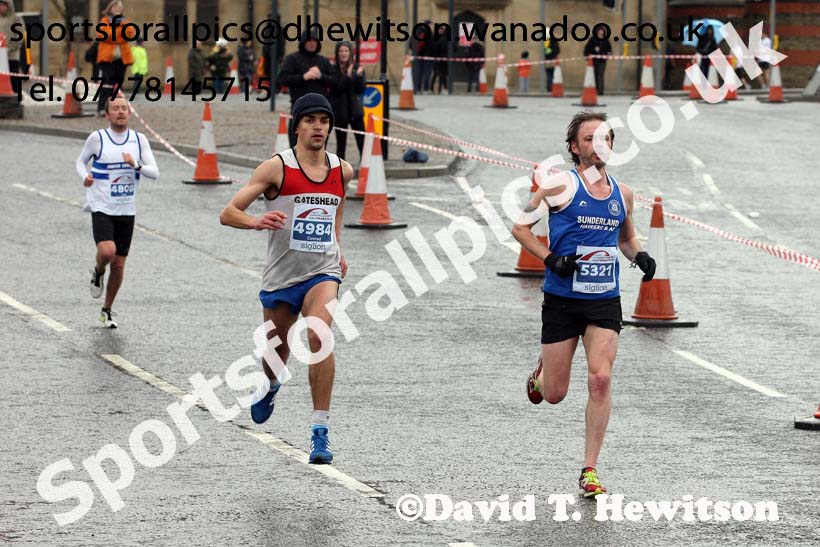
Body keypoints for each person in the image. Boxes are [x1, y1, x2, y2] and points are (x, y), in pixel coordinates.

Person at [512, 111, 656, 498]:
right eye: (589, 139)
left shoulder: (622, 194)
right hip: (562, 298)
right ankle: (542, 375)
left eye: (604, 138)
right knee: (555, 394)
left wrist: (639, 256)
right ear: (575, 148)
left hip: (604, 299)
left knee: (601, 377)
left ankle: (590, 469)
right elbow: (520, 227)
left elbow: (625, 238)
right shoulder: (559, 186)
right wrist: (550, 258)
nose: (598, 145)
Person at [219, 93, 354, 465]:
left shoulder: (342, 170)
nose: (318, 127)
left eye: (323, 121)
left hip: (322, 273)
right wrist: (256, 220)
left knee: (319, 334)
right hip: (281, 277)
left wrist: (338, 248)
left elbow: (337, 207)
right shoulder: (275, 169)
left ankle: (319, 432)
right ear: (297, 126)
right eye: (310, 120)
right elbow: (228, 213)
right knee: (275, 356)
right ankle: (272, 384)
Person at [76, 96, 159, 328]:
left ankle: (107, 309)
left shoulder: (138, 140)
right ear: (108, 114)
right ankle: (98, 271)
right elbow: (80, 162)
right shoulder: (97, 138)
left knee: (120, 265)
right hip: (101, 205)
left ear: (129, 113)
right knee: (107, 252)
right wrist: (85, 177)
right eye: (115, 109)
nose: (120, 112)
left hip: (126, 209)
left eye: (124, 108)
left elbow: (155, 172)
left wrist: (136, 165)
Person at [278, 30, 334, 146]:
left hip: (321, 108)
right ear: (303, 42)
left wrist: (320, 76)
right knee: (297, 143)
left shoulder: (323, 61)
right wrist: (304, 77)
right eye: (309, 41)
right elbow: (283, 79)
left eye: (314, 41)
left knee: (319, 143)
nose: (312, 43)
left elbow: (334, 81)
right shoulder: (292, 59)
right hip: (299, 108)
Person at [95, 1, 137, 116]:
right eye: (115, 7)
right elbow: (106, 35)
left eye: (119, 7)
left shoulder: (125, 22)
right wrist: (120, 35)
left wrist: (118, 32)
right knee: (107, 83)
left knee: (119, 84)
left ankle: (117, 108)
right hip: (108, 58)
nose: (117, 9)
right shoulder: (104, 21)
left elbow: (130, 33)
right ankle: (102, 107)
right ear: (110, 9)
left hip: (122, 58)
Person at [329, 41, 366, 161]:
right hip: (340, 111)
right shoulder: (333, 69)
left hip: (355, 110)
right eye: (341, 51)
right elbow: (337, 88)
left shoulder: (357, 68)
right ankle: (341, 168)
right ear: (337, 53)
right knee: (341, 144)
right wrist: (349, 76)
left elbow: (361, 89)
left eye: (346, 51)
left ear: (350, 53)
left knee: (362, 141)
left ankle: (366, 165)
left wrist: (358, 77)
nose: (343, 53)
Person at [0, 0, 24, 96]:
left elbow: (19, 35)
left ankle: (16, 98)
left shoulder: (16, 19)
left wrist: (10, 48)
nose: (1, 7)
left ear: (8, 6)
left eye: (3, 5)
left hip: (12, 56)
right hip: (0, 56)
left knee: (13, 78)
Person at [583, 26, 612, 96]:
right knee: (594, 75)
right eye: (599, 31)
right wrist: (593, 50)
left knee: (600, 74)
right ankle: (595, 89)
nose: (600, 33)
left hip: (602, 60)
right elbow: (587, 49)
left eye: (602, 32)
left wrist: (608, 53)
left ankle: (600, 91)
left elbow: (609, 49)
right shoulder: (592, 39)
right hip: (594, 60)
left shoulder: (606, 40)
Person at [430, 25, 449, 94]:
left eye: (441, 30)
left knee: (439, 74)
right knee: (440, 74)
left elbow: (435, 48)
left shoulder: (439, 39)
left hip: (439, 59)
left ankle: (438, 89)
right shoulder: (445, 38)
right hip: (444, 59)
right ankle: (442, 89)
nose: (440, 31)